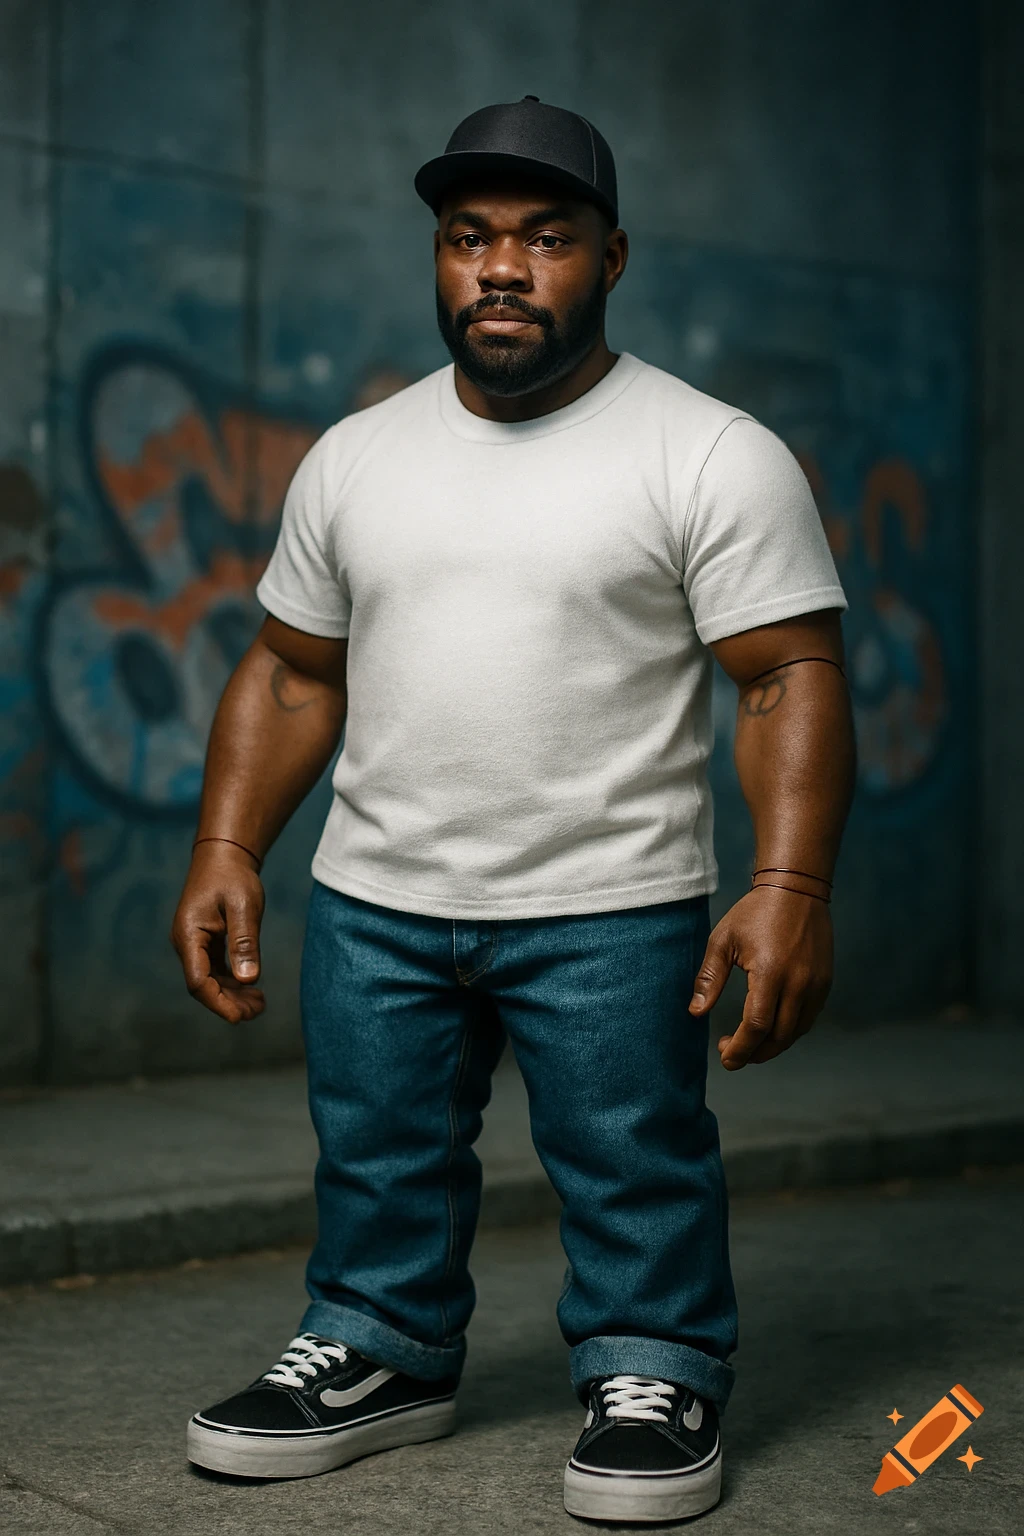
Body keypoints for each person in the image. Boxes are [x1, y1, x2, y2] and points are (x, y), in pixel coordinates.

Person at [171, 96, 854, 1524]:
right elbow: (292, 672)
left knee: (632, 1163)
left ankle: (654, 1367)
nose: (500, 266)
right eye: (469, 235)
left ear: (613, 256)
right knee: (378, 1153)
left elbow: (788, 676)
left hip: (610, 906)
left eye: (545, 237)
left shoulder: (708, 452)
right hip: (377, 901)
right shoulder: (359, 455)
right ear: (438, 253)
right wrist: (228, 844)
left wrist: (790, 886)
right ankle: (380, 1346)